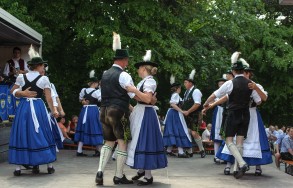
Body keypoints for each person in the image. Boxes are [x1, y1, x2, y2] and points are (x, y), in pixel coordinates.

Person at [203, 52, 261, 179]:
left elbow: (215, 95)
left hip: (233, 114)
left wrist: (206, 104)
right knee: (239, 143)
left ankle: (242, 163)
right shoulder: (250, 83)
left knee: (229, 140)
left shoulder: (230, 83)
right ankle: (237, 169)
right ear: (242, 70)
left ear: (234, 71)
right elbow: (259, 101)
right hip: (246, 115)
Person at [9, 45, 58, 176]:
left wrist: (21, 93)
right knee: (42, 132)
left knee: (23, 133)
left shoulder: (21, 78)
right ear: (39, 66)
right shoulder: (43, 79)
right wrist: (54, 110)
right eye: (43, 66)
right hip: (37, 108)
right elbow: (48, 97)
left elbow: (12, 91)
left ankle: (19, 168)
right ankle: (49, 165)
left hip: (24, 108)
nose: (44, 68)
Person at [95, 32, 135, 185]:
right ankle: (118, 175)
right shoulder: (124, 75)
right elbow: (132, 94)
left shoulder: (104, 74)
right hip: (118, 112)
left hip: (104, 111)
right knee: (122, 142)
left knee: (108, 142)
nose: (128, 63)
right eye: (127, 60)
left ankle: (100, 172)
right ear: (124, 60)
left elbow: (104, 94)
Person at [126, 50, 167, 186]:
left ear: (143, 68)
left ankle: (148, 176)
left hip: (146, 114)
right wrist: (133, 94)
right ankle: (142, 170)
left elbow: (148, 99)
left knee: (146, 141)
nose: (137, 70)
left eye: (139, 68)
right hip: (141, 111)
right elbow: (143, 98)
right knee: (140, 140)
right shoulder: (144, 81)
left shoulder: (150, 81)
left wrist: (134, 91)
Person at [74, 70, 103, 157]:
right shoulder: (97, 92)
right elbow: (102, 101)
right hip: (93, 111)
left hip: (84, 111)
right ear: (94, 83)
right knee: (96, 128)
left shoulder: (84, 90)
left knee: (83, 128)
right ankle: (99, 151)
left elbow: (80, 99)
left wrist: (83, 101)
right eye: (97, 83)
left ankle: (79, 150)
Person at [163, 80, 192, 158]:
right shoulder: (175, 95)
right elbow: (173, 104)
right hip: (174, 114)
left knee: (174, 130)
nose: (180, 89)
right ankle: (181, 152)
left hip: (173, 114)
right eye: (180, 88)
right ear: (178, 88)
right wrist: (182, 111)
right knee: (178, 130)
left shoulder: (175, 95)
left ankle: (168, 150)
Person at [181, 69, 206, 158]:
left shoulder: (196, 91)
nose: (184, 84)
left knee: (194, 133)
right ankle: (190, 151)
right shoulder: (186, 92)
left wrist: (188, 111)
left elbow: (197, 104)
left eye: (186, 82)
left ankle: (202, 150)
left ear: (191, 83)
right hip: (187, 115)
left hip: (195, 114)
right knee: (187, 132)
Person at [209, 76, 227, 163]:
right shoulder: (216, 93)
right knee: (217, 136)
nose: (221, 85)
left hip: (227, 111)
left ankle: (223, 156)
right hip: (219, 111)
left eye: (222, 84)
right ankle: (216, 156)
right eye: (219, 84)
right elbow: (210, 102)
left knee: (225, 135)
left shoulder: (228, 91)